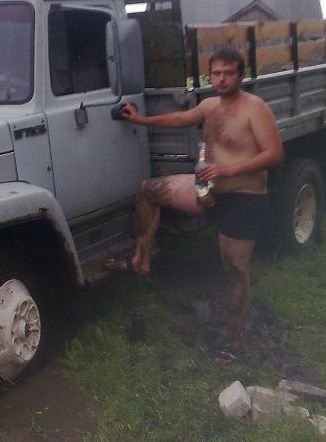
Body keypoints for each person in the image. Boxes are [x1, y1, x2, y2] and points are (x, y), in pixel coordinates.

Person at [110, 47, 283, 352]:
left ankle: (232, 341)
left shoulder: (255, 109)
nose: (222, 78)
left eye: (229, 73)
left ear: (241, 76)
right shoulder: (209, 106)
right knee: (148, 190)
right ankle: (141, 261)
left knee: (234, 270)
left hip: (244, 198)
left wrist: (228, 170)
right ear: (210, 75)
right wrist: (141, 119)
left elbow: (274, 154)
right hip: (207, 190)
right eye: (216, 73)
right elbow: (180, 118)